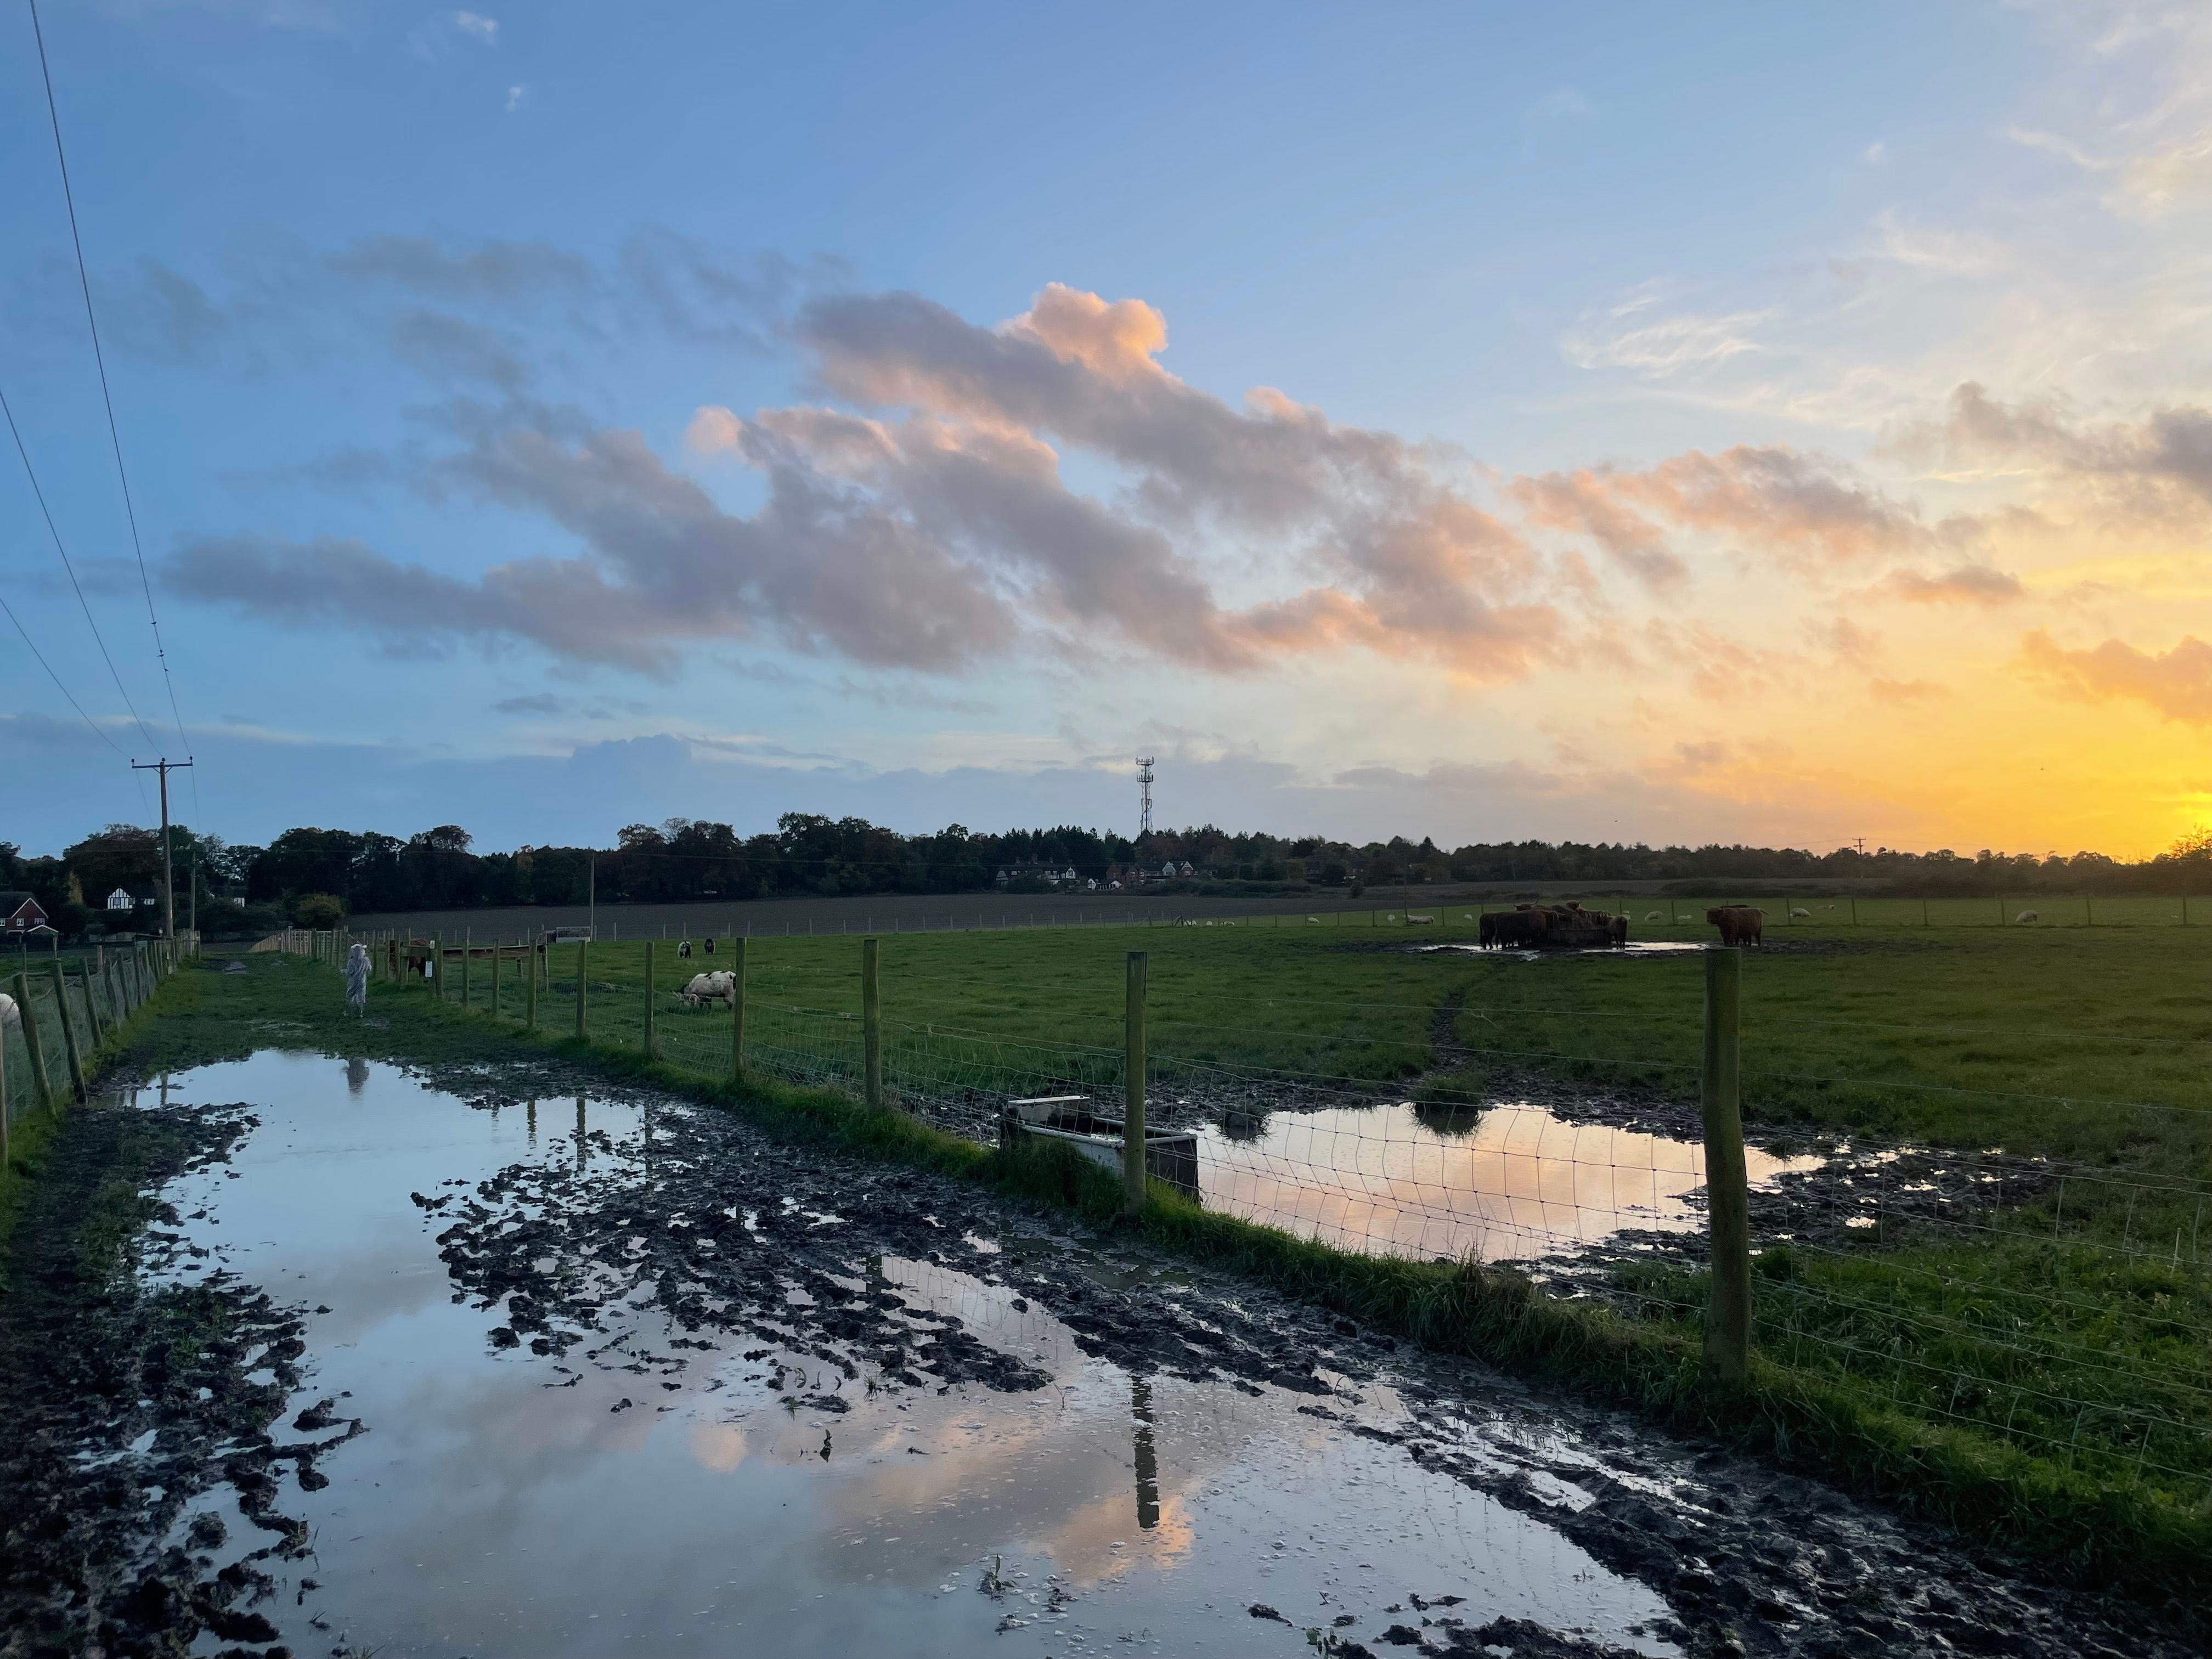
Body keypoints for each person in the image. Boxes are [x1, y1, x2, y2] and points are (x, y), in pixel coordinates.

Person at [345, 941, 370, 1014]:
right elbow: (369, 968)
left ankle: (347, 1011)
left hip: (353, 981)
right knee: (361, 996)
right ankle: (360, 1011)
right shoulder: (366, 961)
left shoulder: (351, 962)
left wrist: (344, 971)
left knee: (350, 995)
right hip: (362, 981)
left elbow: (350, 972)